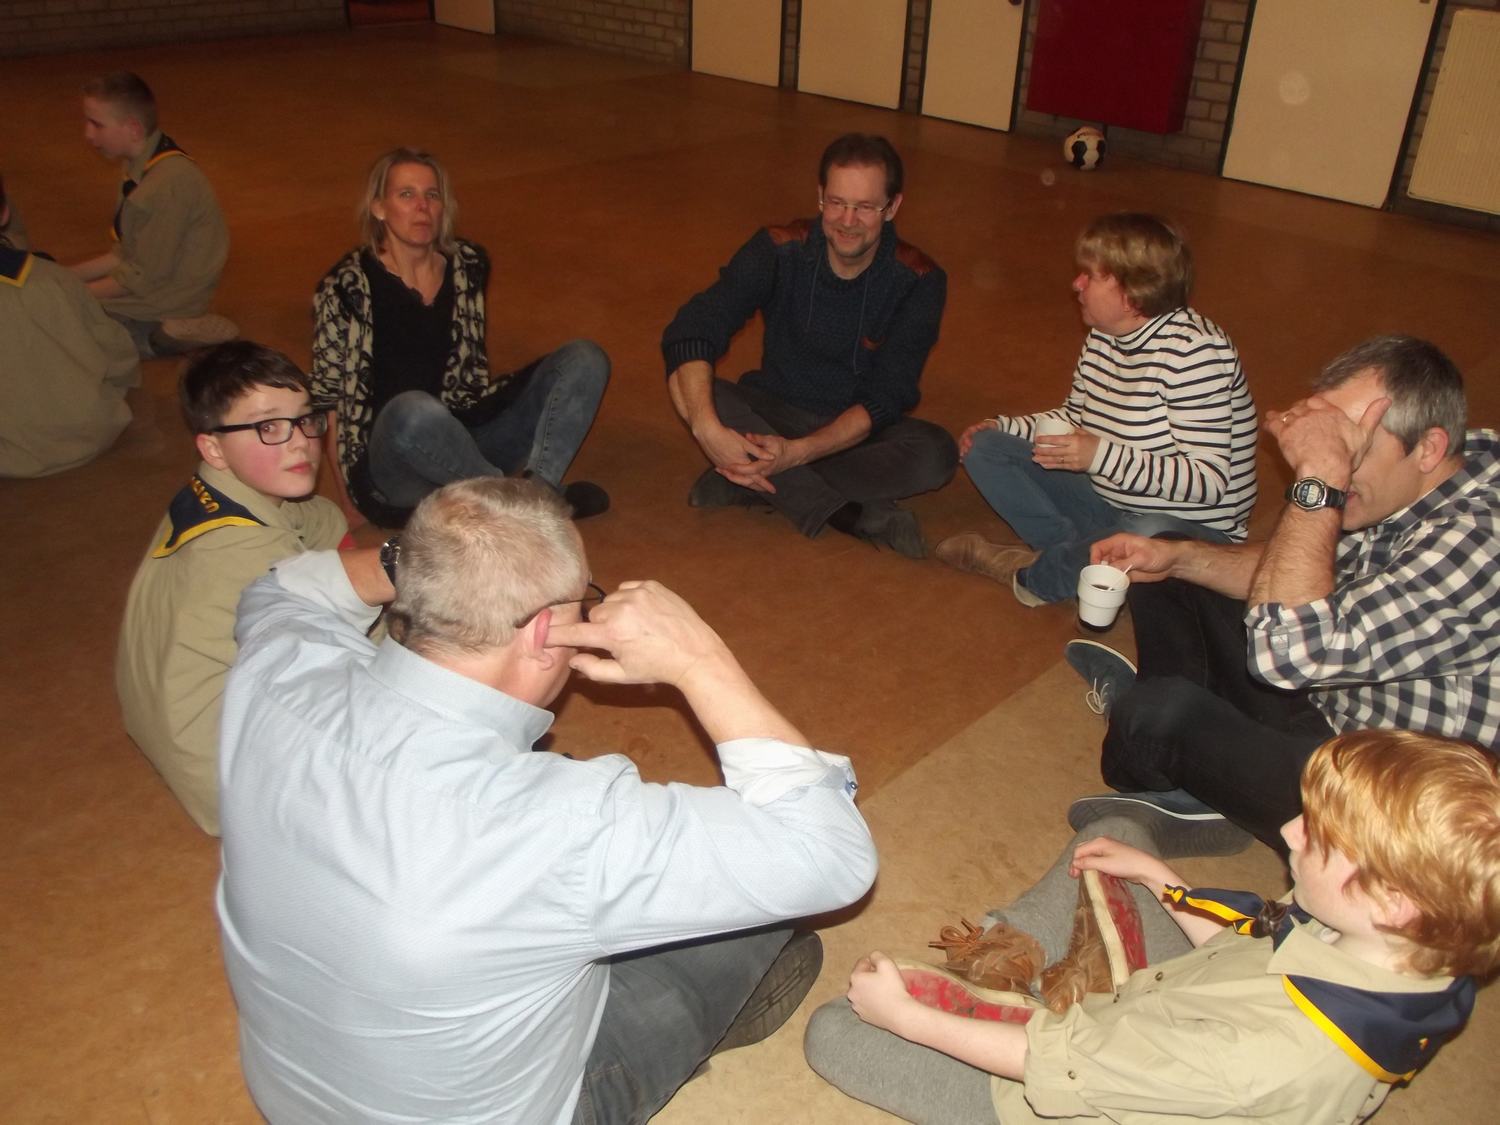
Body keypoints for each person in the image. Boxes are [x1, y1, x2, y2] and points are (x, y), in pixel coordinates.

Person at [216, 476, 878, 1123]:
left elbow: (280, 588)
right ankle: (690, 1026)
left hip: (291, 1099)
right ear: (542, 634)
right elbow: (829, 853)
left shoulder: (278, 671)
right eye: (582, 600)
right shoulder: (562, 823)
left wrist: (431, 562)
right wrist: (698, 658)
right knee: (756, 901)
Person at [805, 729, 1499, 1124]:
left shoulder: (1266, 1052)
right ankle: (1019, 964)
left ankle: (1009, 974)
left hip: (1077, 1096)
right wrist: (1162, 882)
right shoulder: (1408, 956)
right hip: (1170, 1021)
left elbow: (1054, 1064)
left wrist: (907, 1019)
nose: (1289, 831)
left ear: (1394, 902)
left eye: (1320, 838)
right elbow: (1248, 950)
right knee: (1116, 834)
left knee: (836, 1030)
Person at [1063, 335, 1499, 853]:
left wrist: (1322, 475)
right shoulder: (1429, 475)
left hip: (1383, 807)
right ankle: (1198, 781)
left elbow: (1288, 657)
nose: (1339, 460)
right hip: (1334, 696)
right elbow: (1300, 572)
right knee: (1169, 565)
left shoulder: (1479, 543)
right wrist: (1177, 558)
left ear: (1428, 447)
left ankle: (1171, 747)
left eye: (1352, 448)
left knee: (1154, 714)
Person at [935, 213, 1257, 606]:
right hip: (1114, 503)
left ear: (1133, 293)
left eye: (1090, 275)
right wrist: (1002, 426)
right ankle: (1078, 557)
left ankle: (1033, 576)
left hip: (1190, 532)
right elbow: (1074, 419)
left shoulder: (1195, 355)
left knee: (1147, 529)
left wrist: (1100, 456)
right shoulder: (1104, 337)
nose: (1076, 284)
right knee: (987, 448)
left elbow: (1209, 480)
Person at [662, 133, 955, 559]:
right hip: (771, 413)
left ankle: (749, 482)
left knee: (936, 454)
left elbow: (887, 397)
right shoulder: (779, 249)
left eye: (865, 207)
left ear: (892, 207)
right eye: (836, 202)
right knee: (689, 380)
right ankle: (845, 513)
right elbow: (693, 328)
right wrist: (707, 429)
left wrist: (798, 454)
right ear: (820, 197)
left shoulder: (919, 280)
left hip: (852, 430)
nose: (847, 220)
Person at [311, 146, 609, 530]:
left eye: (432, 195)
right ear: (379, 208)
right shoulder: (345, 286)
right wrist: (350, 500)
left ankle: (535, 493)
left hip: (465, 438)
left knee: (584, 358)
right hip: (394, 459)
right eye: (406, 194)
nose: (422, 207)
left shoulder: (467, 265)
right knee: (413, 410)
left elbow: (469, 382)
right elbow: (328, 400)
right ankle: (525, 505)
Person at [116, 342, 346, 835]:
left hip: (184, 731)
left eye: (305, 419)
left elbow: (321, 518)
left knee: (326, 528)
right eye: (268, 427)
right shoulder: (249, 553)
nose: (300, 443)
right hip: (238, 785)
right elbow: (354, 654)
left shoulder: (207, 494)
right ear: (213, 448)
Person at [70, 71, 235, 358]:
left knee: (58, 323)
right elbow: (123, 255)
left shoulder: (165, 184)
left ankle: (168, 332)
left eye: (97, 124)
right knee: (57, 304)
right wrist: (64, 277)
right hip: (152, 283)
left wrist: (71, 293)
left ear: (133, 129)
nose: (88, 134)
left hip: (167, 298)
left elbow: (140, 278)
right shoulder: (141, 164)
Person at [1, 172, 140, 478]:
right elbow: (118, 354)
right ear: (5, 213)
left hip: (12, 452)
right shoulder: (54, 276)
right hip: (94, 429)